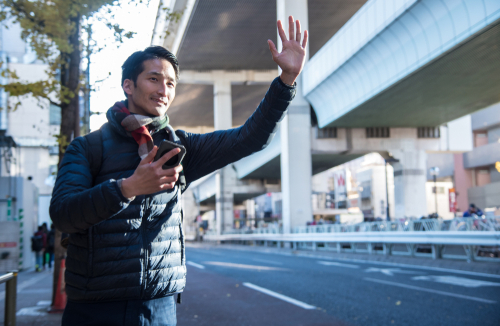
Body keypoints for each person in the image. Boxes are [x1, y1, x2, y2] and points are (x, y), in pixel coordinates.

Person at [50, 16, 307, 325]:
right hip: (95, 308)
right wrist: (127, 188)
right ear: (128, 86)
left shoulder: (181, 147)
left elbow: (248, 138)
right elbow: (64, 214)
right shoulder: (88, 147)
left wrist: (286, 82)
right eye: (154, 79)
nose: (164, 90)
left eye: (170, 83)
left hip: (158, 308)